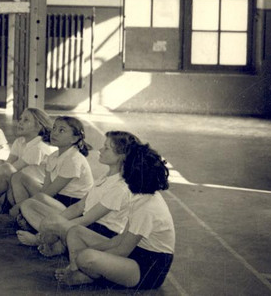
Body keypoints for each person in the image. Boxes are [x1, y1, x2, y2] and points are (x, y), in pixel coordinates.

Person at [57, 142, 175, 290]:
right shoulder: (139, 195)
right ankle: (80, 272)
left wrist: (87, 252)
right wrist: (92, 249)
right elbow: (120, 239)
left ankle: (86, 274)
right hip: (135, 252)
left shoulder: (147, 207)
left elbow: (123, 250)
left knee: (86, 258)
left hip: (148, 267)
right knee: (75, 231)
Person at [18, 130, 138, 257]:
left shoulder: (120, 187)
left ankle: (44, 240)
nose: (100, 150)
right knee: (29, 205)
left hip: (100, 232)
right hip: (86, 223)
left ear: (122, 156)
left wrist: (49, 229)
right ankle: (58, 242)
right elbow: (79, 206)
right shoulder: (106, 176)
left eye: (106, 148)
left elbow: (88, 219)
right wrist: (56, 221)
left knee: (53, 222)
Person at [0, 106, 56, 216]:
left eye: (26, 120)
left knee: (5, 170)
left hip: (29, 192)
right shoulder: (19, 141)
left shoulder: (39, 146)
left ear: (39, 126)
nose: (20, 122)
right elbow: (8, 165)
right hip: (13, 187)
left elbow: (12, 168)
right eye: (20, 119)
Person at [11, 116, 93, 214]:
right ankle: (22, 213)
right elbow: (46, 188)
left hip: (73, 205)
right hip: (57, 198)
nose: (54, 133)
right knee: (18, 177)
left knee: (39, 198)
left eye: (61, 130)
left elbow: (49, 193)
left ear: (74, 139)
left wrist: (23, 204)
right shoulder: (53, 156)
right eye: (54, 128)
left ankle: (20, 212)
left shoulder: (74, 159)